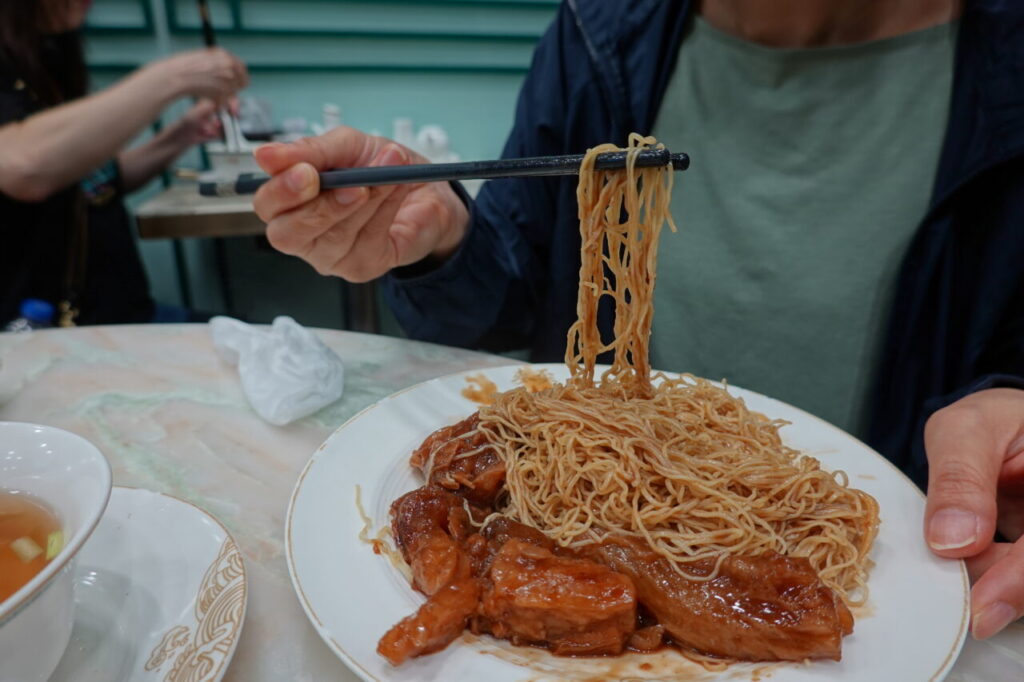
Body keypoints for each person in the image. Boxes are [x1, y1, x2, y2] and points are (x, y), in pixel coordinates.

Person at [251, 1, 1024, 638]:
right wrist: (440, 237)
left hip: (914, 565)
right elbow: (512, 283)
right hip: (583, 512)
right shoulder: (602, 30)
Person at [0, 0, 248, 326]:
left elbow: (96, 181)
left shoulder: (49, 51)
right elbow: (21, 166)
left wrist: (182, 135)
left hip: (123, 312)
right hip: (48, 333)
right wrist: (174, 76)